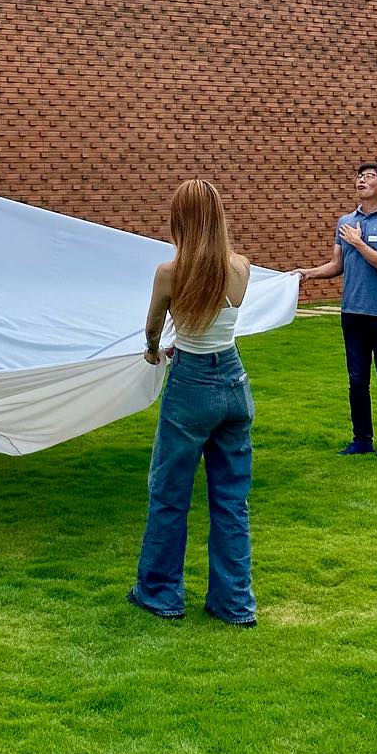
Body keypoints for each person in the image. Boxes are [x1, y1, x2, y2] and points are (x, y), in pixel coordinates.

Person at [128, 179, 257, 627]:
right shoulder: (241, 267)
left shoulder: (170, 272)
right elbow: (219, 323)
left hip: (191, 383)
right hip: (234, 382)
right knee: (232, 500)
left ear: (179, 219)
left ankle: (160, 594)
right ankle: (234, 603)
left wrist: (153, 350)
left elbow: (152, 328)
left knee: (169, 493)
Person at [296, 163, 377, 458]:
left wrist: (357, 242)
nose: (361, 180)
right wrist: (308, 273)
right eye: (359, 176)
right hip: (352, 314)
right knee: (357, 381)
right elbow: (337, 265)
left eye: (369, 177)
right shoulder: (346, 221)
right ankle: (361, 440)